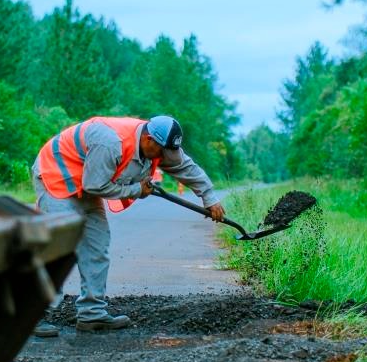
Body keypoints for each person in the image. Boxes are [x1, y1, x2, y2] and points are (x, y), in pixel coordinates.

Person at [31, 115, 225, 336]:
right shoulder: (110, 143)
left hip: (88, 180)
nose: (164, 158)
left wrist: (210, 198)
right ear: (148, 139)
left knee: (97, 245)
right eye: (162, 152)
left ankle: (92, 314)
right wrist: (136, 191)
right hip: (57, 175)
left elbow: (185, 167)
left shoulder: (159, 145)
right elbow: (94, 185)